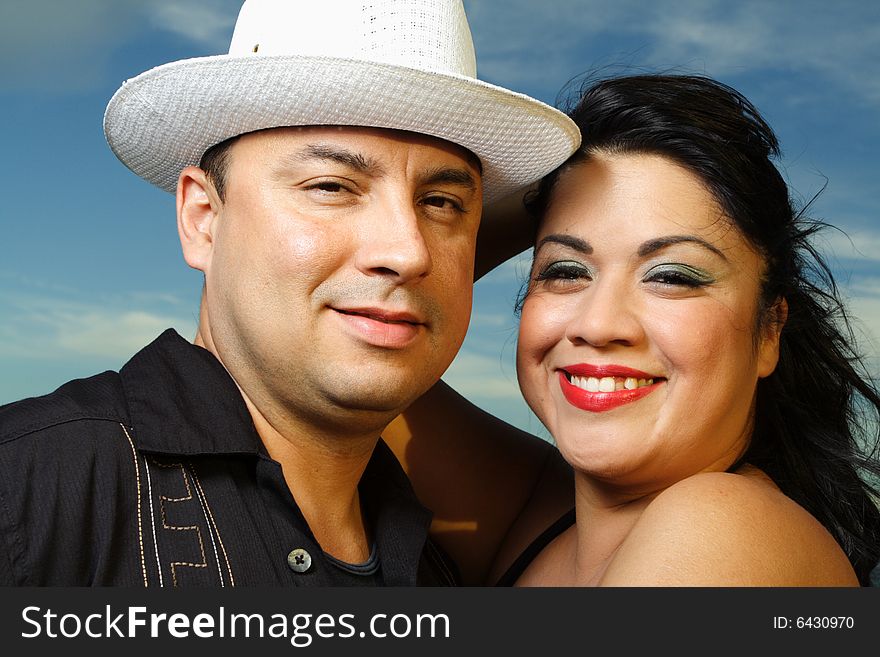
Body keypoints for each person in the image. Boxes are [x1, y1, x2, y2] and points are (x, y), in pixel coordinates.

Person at [0, 0, 580, 586]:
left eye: (441, 203)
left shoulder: (438, 569)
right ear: (203, 218)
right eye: (331, 186)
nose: (409, 252)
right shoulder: (27, 493)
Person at [488, 74, 880, 586]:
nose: (598, 323)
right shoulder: (537, 512)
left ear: (769, 332)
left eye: (671, 277)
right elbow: (367, 363)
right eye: (565, 270)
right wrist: (554, 182)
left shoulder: (725, 529)